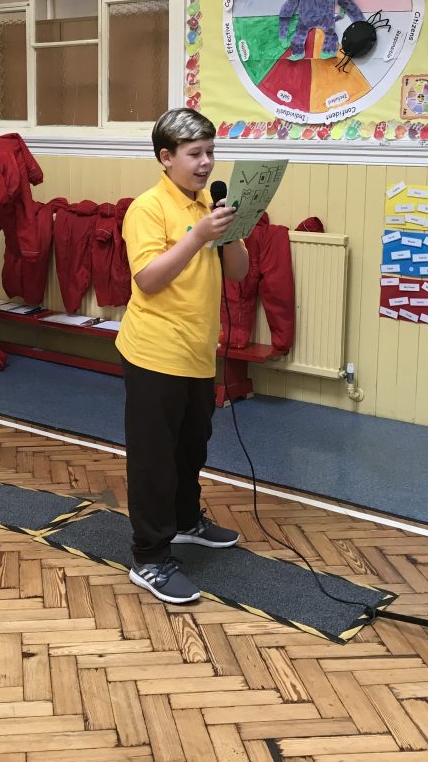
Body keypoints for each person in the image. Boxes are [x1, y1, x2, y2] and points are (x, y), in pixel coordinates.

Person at [116, 108, 250, 604]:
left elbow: (238, 272)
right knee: (154, 460)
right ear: (166, 157)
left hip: (197, 350)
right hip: (154, 351)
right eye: (195, 154)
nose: (206, 163)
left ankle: (186, 521)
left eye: (210, 152)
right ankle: (149, 557)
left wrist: (230, 231)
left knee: (192, 447)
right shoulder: (147, 208)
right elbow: (149, 279)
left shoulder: (208, 206)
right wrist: (198, 237)